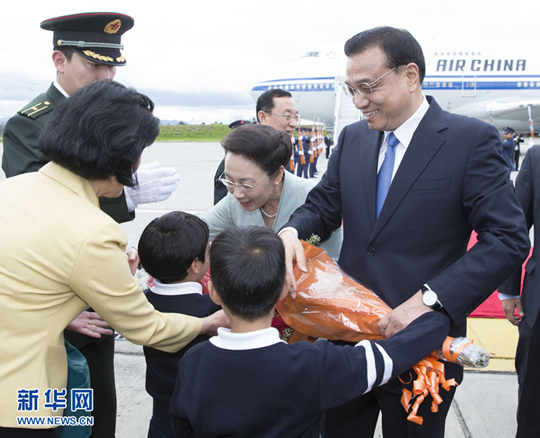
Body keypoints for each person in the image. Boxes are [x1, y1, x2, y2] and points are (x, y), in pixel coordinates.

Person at [279, 26, 529, 438]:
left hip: (422, 344)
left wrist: (431, 300)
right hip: (346, 339)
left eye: (367, 87)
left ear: (410, 76)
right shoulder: (353, 138)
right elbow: (324, 205)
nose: (359, 102)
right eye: (351, 89)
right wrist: (292, 231)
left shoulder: (469, 141)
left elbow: (507, 238)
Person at [0, 81, 227, 437]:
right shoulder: (94, 231)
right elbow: (146, 328)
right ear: (120, 155)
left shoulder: (13, 188)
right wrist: (208, 323)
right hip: (19, 401)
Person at [1, 13, 180, 436]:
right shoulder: (30, 124)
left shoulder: (113, 114)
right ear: (59, 60)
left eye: (111, 66)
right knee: (45, 419)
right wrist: (126, 195)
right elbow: (39, 218)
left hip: (95, 303)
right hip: (54, 314)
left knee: (94, 418)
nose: (105, 76)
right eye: (94, 65)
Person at [168, 225, 450, 438]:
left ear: (214, 292)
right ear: (283, 290)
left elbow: (181, 427)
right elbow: (388, 357)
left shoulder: (193, 363)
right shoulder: (312, 364)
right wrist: (437, 319)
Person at [202, 124, 342, 261]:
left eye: (247, 184)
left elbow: (336, 264)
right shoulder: (234, 200)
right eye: (229, 180)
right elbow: (201, 230)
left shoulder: (316, 200)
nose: (237, 193)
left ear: (277, 175)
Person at [138, 211, 221, 438]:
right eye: (207, 249)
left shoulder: (140, 306)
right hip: (203, 419)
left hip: (162, 416)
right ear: (196, 265)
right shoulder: (213, 312)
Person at [498, 145, 540, 437]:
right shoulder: (537, 159)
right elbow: (515, 226)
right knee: (533, 404)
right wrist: (509, 290)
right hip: (539, 305)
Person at [213, 88, 300, 204]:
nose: (294, 124)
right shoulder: (239, 158)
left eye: (296, 117)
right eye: (287, 116)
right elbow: (225, 215)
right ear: (263, 117)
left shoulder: (279, 152)